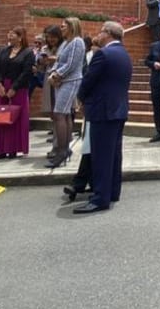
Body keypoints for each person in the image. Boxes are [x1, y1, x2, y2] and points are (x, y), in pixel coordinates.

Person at [74, 21, 132, 214]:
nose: (98, 35)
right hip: (118, 110)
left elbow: (89, 80)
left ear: (108, 33)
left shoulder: (103, 54)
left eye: (101, 31)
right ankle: (112, 191)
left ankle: (100, 198)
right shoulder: (124, 54)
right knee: (114, 155)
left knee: (101, 156)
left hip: (102, 111)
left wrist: (80, 98)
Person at [45, 18, 86, 169]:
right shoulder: (65, 43)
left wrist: (56, 75)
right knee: (64, 114)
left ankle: (62, 151)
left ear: (72, 27)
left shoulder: (77, 42)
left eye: (64, 26)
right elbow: (58, 61)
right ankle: (64, 149)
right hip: (60, 82)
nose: (61, 29)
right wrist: (53, 72)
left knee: (59, 114)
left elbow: (72, 64)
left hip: (71, 81)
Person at [0, 27, 35, 159]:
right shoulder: (3, 50)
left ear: (20, 37)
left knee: (15, 118)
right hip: (2, 87)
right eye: (8, 33)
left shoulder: (27, 53)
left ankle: (13, 148)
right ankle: (1, 148)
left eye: (13, 34)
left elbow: (26, 72)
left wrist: (14, 88)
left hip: (18, 89)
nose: (9, 36)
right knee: (1, 117)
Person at [62, 36, 97, 203]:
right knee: (88, 146)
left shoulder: (101, 58)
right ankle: (84, 182)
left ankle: (80, 182)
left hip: (98, 108)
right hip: (90, 107)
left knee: (90, 147)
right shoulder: (89, 58)